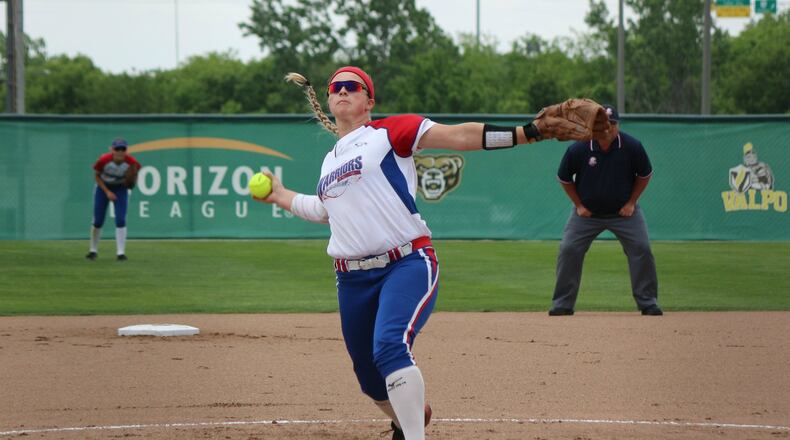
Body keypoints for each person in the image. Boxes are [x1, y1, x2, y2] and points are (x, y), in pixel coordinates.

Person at [254, 66, 607, 440]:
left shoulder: (389, 132)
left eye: (352, 86)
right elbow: (323, 210)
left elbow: (459, 135)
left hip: (405, 263)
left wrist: (526, 133)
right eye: (336, 87)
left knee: (390, 346)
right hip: (351, 279)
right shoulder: (330, 162)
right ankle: (409, 417)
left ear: (368, 101)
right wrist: (279, 195)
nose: (342, 90)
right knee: (369, 379)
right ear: (327, 99)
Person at [549, 105, 662, 316]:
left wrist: (631, 202)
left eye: (613, 123)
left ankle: (648, 302)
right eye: (603, 124)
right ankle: (562, 304)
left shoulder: (632, 146)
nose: (608, 128)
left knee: (642, 248)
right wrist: (579, 205)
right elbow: (564, 178)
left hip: (624, 213)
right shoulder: (580, 148)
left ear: (618, 125)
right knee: (569, 249)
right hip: (587, 214)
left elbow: (644, 174)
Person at [86, 138, 141, 261]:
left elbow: (136, 172)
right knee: (98, 221)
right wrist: (107, 192)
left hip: (120, 189)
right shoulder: (104, 160)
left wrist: (132, 181)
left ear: (126, 150)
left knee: (121, 219)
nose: (120, 151)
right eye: (117, 149)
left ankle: (121, 253)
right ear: (112, 150)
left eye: (123, 149)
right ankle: (93, 251)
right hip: (103, 187)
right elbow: (96, 176)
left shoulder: (131, 161)